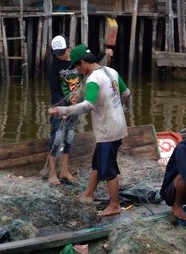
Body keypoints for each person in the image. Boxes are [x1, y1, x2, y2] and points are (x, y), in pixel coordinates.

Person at [48, 44, 131, 217]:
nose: (77, 71)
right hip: (118, 126)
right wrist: (125, 109)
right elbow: (127, 93)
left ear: (83, 62)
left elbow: (88, 105)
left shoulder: (94, 79)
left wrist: (62, 111)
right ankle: (88, 194)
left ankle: (114, 205)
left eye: (77, 67)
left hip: (108, 131)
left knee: (109, 170)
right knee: (97, 162)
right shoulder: (110, 71)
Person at [46, 35, 82, 186]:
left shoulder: (76, 60)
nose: (60, 55)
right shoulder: (54, 66)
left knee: (69, 136)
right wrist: (62, 108)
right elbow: (54, 91)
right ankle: (52, 173)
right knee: (57, 138)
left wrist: (105, 53)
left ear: (69, 48)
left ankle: (64, 171)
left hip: (75, 105)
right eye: (57, 53)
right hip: (61, 107)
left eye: (63, 51)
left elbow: (92, 62)